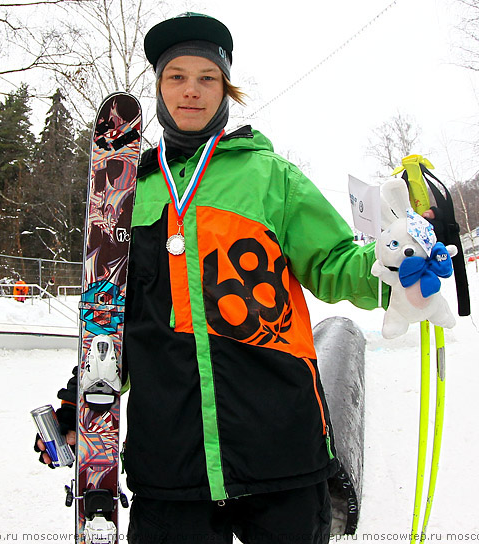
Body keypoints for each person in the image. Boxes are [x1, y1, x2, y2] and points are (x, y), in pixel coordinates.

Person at [35, 13, 403, 543]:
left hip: (280, 449)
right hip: (169, 465)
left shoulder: (270, 175)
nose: (191, 91)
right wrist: (81, 400)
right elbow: (114, 317)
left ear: (225, 90)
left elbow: (333, 263)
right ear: (159, 90)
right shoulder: (126, 195)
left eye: (207, 78)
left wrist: (391, 272)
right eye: (176, 77)